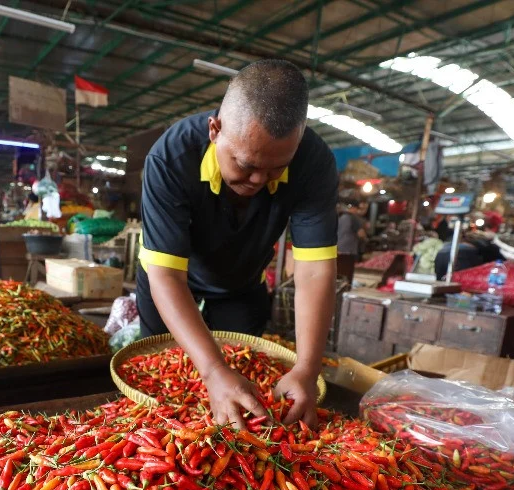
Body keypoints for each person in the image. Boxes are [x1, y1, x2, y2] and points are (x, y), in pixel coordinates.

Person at [138, 59, 338, 428]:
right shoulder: (171, 159)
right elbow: (166, 275)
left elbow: (315, 270)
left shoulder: (314, 162)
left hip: (242, 279)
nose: (259, 180)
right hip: (170, 278)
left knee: (245, 384)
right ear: (214, 130)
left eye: (276, 168)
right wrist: (212, 369)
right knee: (161, 377)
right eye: (246, 164)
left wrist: (308, 368)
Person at [337, 199, 368, 284]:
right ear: (355, 208)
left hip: (338, 249)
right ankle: (347, 287)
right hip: (349, 251)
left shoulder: (340, 217)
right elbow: (361, 234)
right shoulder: (354, 218)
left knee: (339, 272)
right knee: (347, 274)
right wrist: (365, 239)